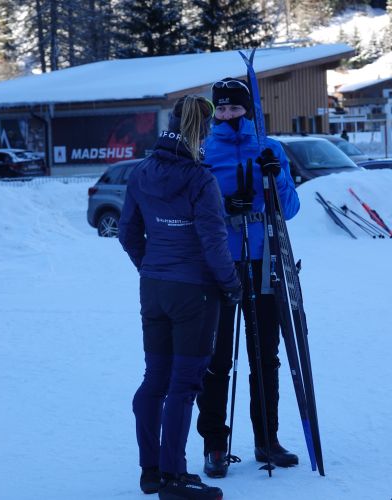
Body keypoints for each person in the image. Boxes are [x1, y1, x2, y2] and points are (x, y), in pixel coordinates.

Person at [118, 95, 242, 500]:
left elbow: (127, 233)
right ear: (200, 132)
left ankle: (151, 471)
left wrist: (151, 266)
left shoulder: (141, 172)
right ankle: (174, 477)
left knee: (155, 379)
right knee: (184, 385)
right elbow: (213, 240)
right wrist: (230, 283)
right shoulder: (200, 178)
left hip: (154, 288)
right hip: (194, 292)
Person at [196, 78, 301, 478]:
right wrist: (223, 207)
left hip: (264, 262)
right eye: (221, 109)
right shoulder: (205, 151)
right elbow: (194, 209)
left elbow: (290, 209)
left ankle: (267, 439)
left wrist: (277, 177)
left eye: (234, 108)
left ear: (248, 110)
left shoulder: (270, 147)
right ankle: (214, 446)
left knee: (264, 357)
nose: (227, 115)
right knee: (218, 357)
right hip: (221, 262)